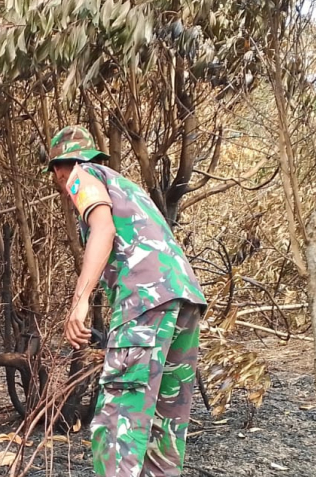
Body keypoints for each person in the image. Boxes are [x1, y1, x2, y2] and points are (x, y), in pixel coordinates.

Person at [46, 126, 207, 477]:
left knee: (119, 422)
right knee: (164, 426)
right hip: (185, 299)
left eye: (57, 173)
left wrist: (81, 299)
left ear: (60, 167)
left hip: (146, 300)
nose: (60, 180)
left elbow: (103, 229)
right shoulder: (126, 187)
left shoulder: (81, 175)